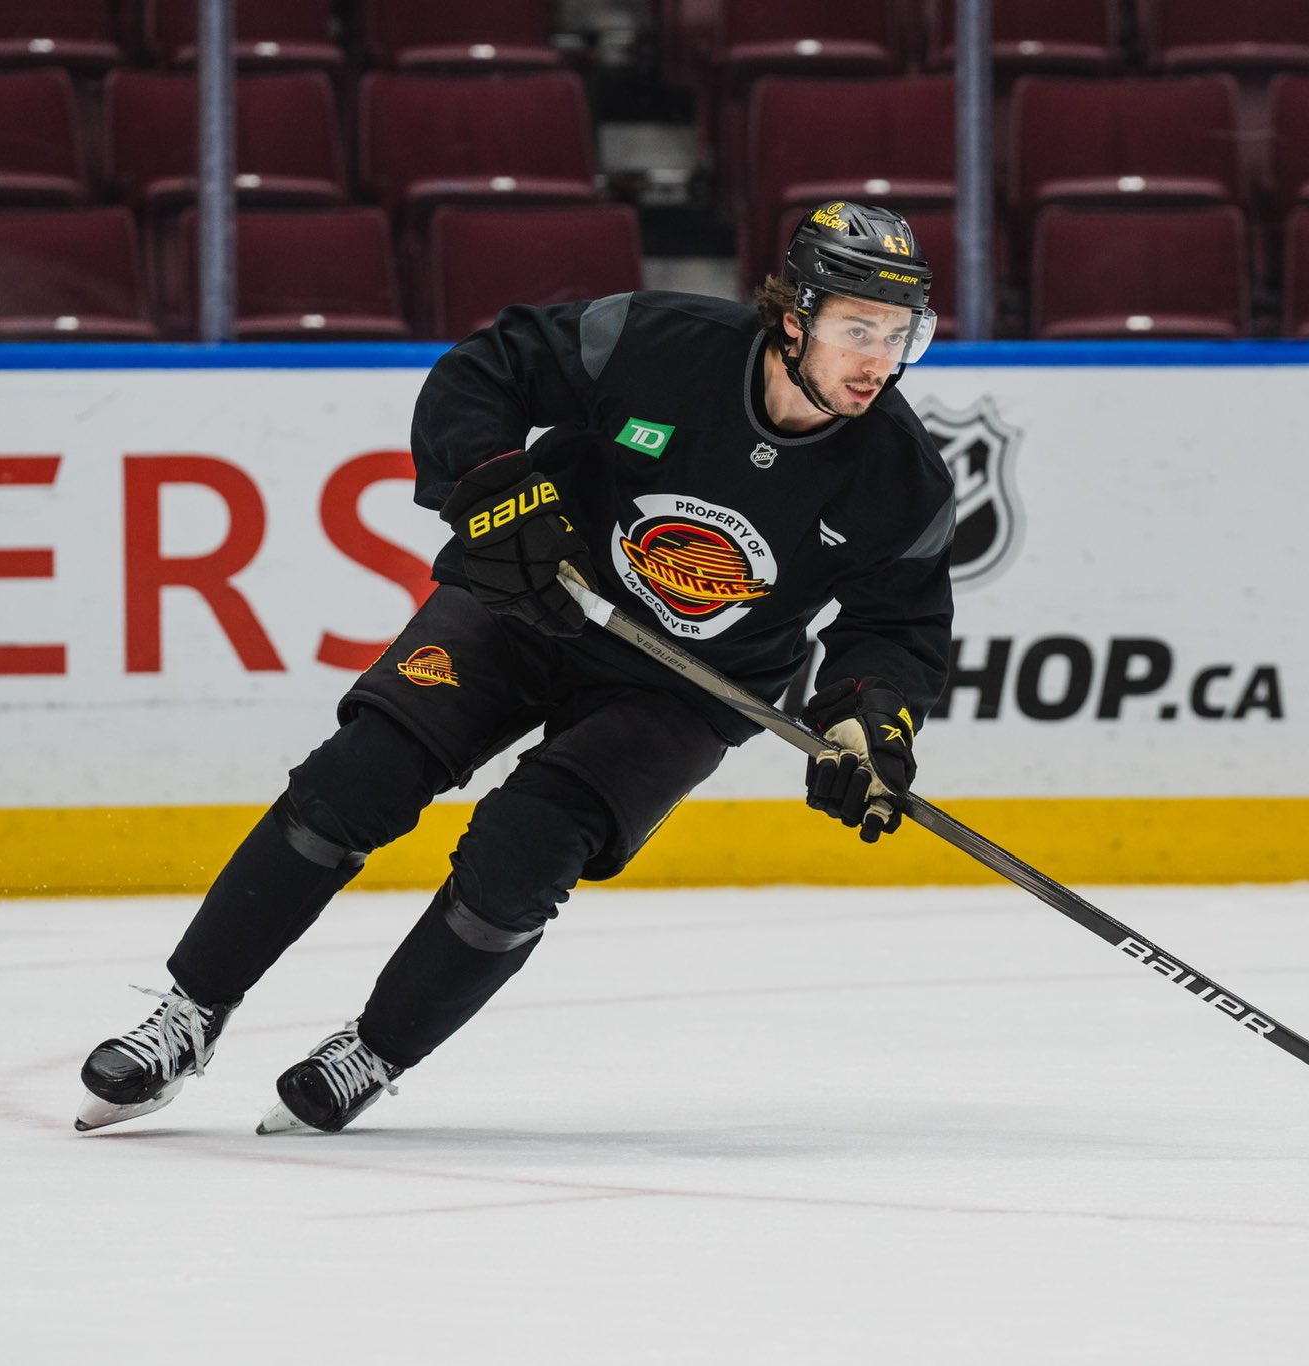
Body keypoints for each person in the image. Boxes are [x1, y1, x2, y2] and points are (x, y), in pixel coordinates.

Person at [74, 201, 957, 1135]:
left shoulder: (902, 478)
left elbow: (895, 627)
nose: (880, 361)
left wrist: (870, 716)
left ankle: (376, 1050)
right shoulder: (658, 340)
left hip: (682, 690)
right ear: (793, 316)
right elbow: (485, 371)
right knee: (353, 783)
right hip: (531, 608)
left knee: (523, 856)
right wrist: (496, 491)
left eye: (901, 336)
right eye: (859, 329)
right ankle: (190, 1012)